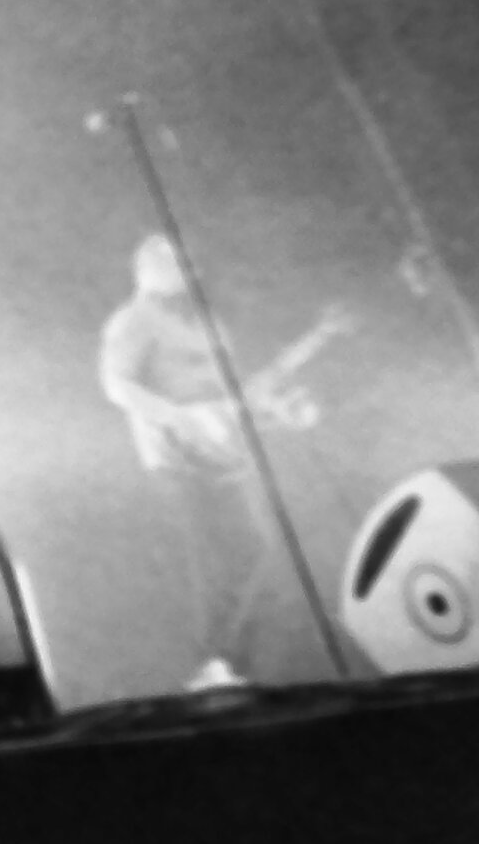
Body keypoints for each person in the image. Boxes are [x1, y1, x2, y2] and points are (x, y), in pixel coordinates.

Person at [97, 234, 332, 690]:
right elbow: (116, 385)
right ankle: (214, 661)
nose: (193, 270)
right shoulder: (134, 321)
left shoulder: (203, 320)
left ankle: (226, 660)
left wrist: (316, 343)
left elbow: (239, 389)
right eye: (180, 264)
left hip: (221, 456)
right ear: (152, 269)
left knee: (252, 551)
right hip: (178, 461)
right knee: (217, 560)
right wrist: (180, 419)